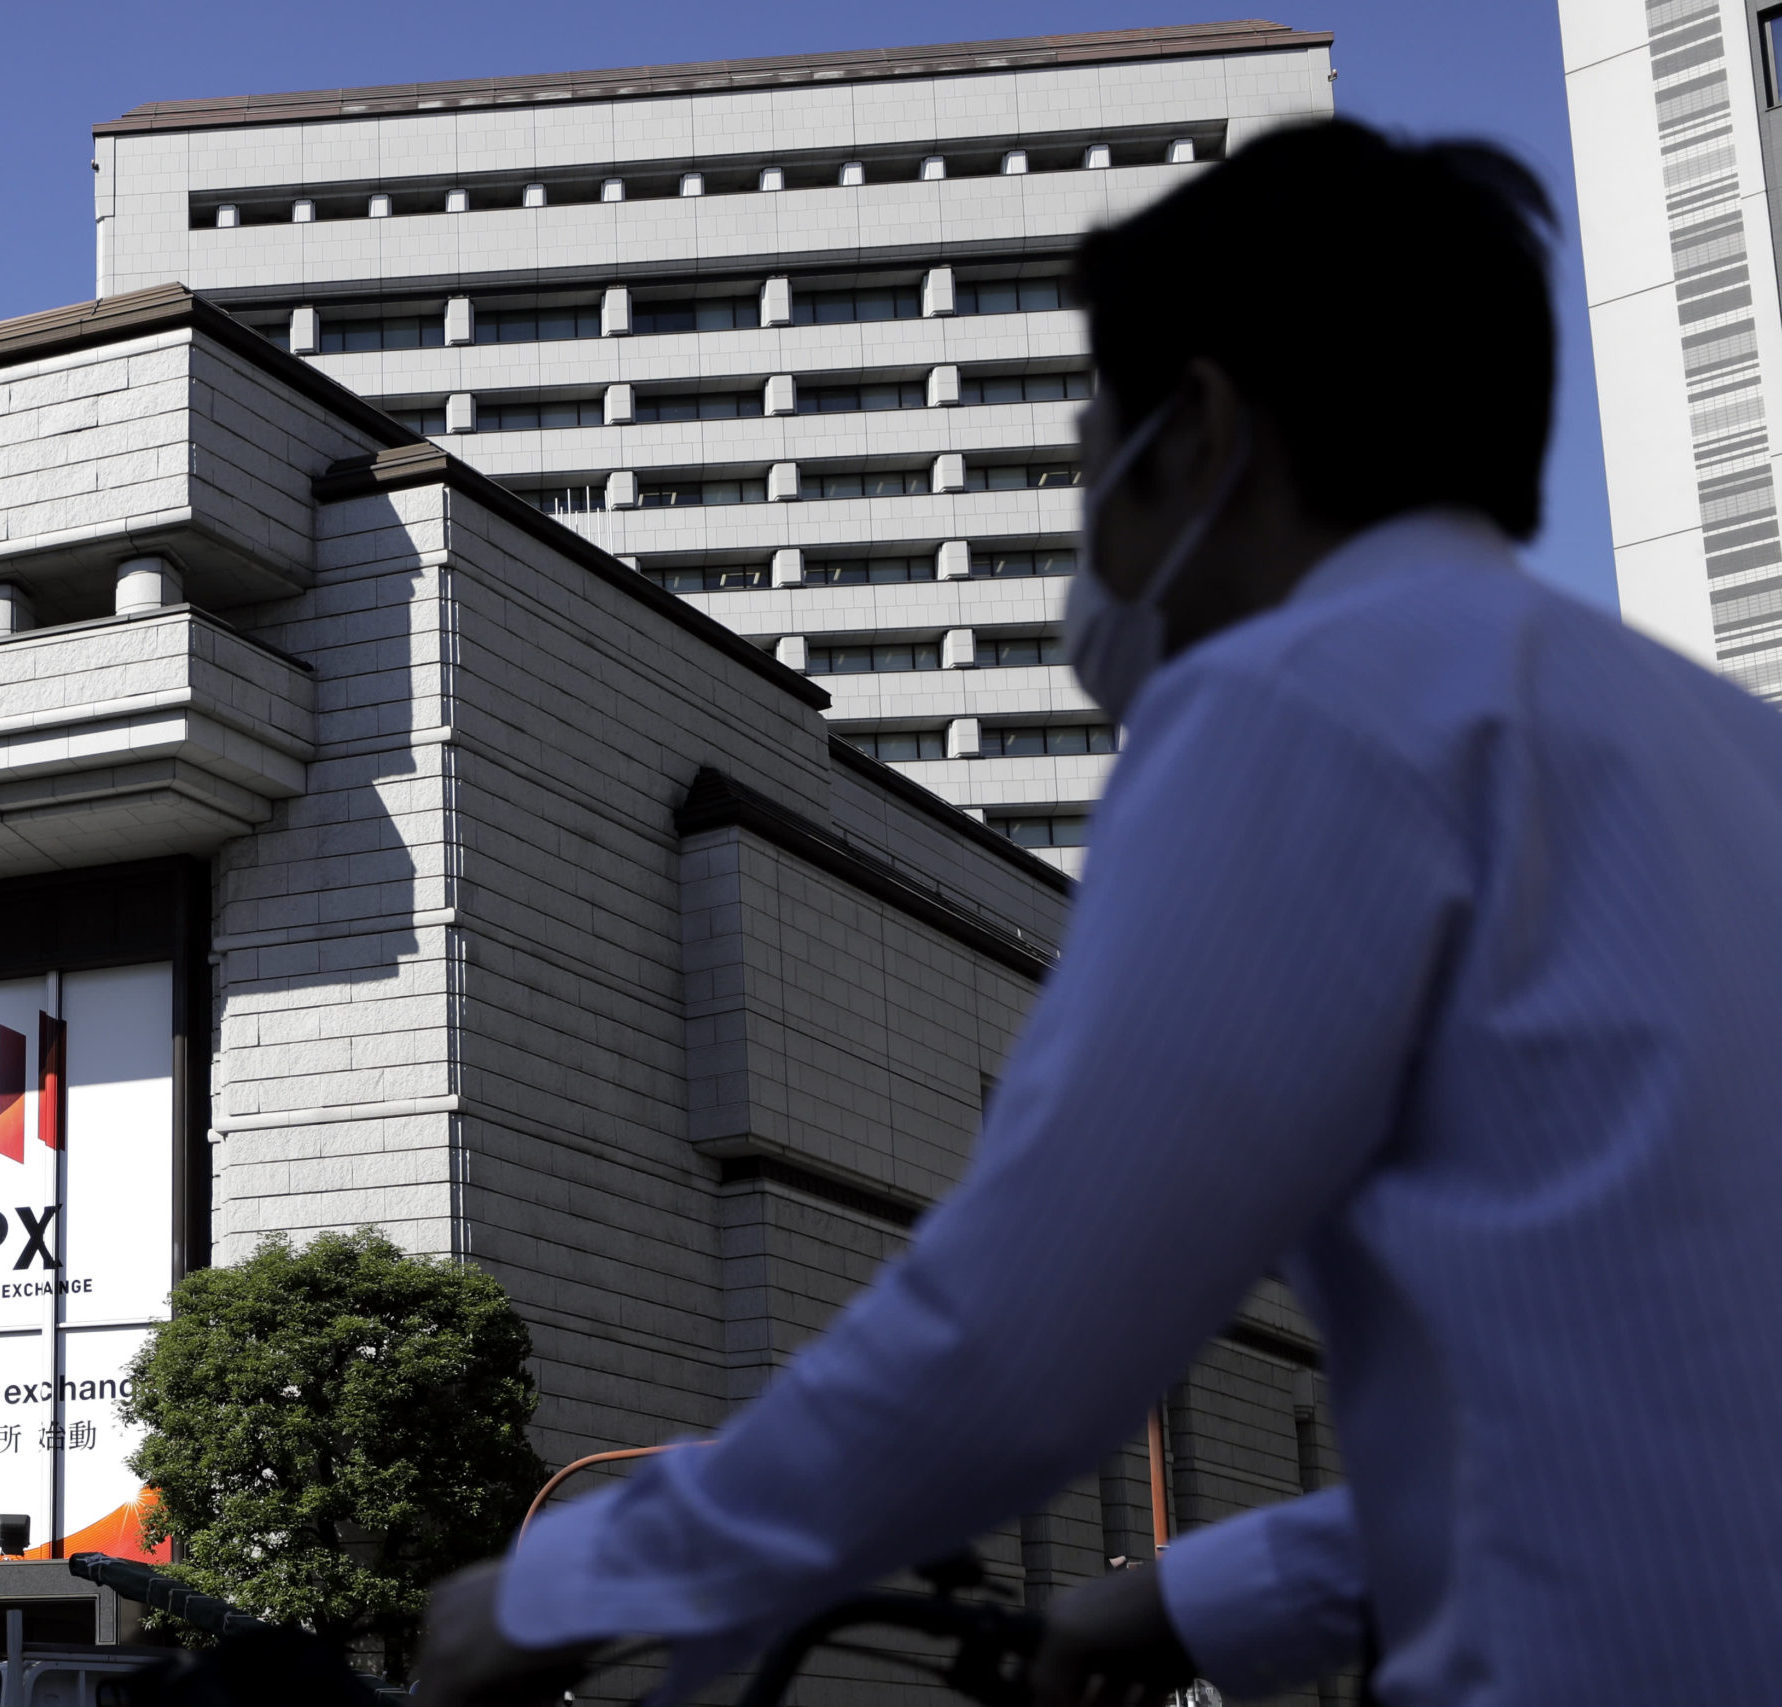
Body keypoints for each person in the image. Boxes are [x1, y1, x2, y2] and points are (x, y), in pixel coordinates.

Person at [411, 118, 1782, 1707]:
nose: (1089, 525)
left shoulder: (1303, 702)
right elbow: (1636, 1444)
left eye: (1088, 455)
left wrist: (572, 1583)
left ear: (1198, 431)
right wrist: (1203, 1597)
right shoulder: (1729, 751)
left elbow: (1022, 1332)